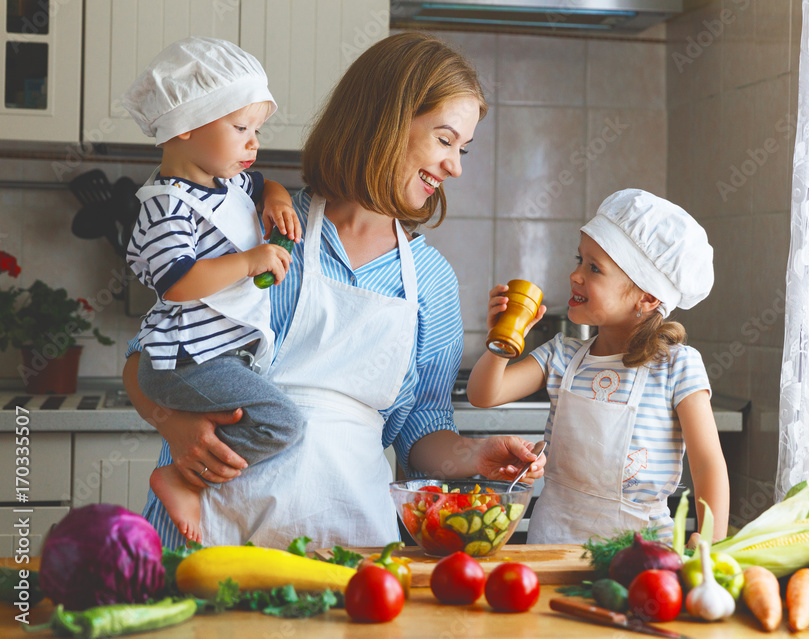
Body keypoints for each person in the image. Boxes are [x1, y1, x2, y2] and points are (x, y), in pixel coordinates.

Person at [122, 32, 546, 551]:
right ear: (385, 123)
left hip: (350, 547)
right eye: (443, 139)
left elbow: (422, 429)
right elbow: (148, 356)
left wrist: (472, 456)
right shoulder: (261, 226)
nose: (455, 165)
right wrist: (175, 426)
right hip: (204, 536)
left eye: (463, 148)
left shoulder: (432, 281)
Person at [121, 36, 305, 544]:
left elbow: (262, 181)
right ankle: (179, 478)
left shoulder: (228, 185)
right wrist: (248, 261)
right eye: (240, 127)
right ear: (183, 127)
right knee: (281, 422)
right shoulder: (166, 206)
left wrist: (278, 195)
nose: (253, 142)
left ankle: (188, 474)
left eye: (257, 130)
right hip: (183, 363)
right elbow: (179, 283)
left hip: (213, 359)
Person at [467, 189, 729, 546]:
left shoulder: (676, 367)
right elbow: (484, 395)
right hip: (553, 544)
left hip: (642, 557)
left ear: (647, 298)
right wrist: (502, 340)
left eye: (593, 268)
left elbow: (707, 464)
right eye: (579, 260)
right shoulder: (561, 354)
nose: (575, 275)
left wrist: (712, 542)